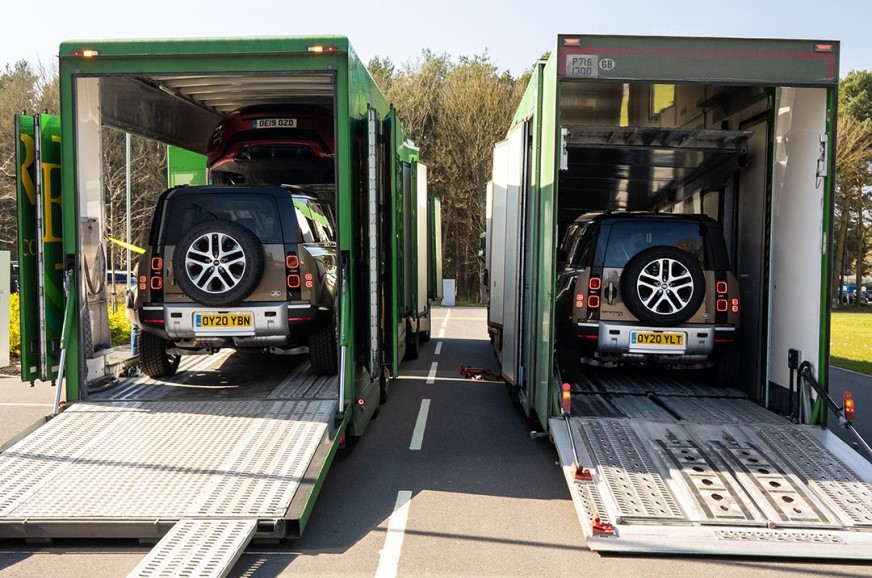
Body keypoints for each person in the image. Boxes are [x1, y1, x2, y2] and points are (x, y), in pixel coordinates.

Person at [125, 264, 140, 357]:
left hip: (137, 326)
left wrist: (137, 324)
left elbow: (129, 311)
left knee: (135, 354)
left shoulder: (132, 290)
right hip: (150, 327)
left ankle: (135, 365)